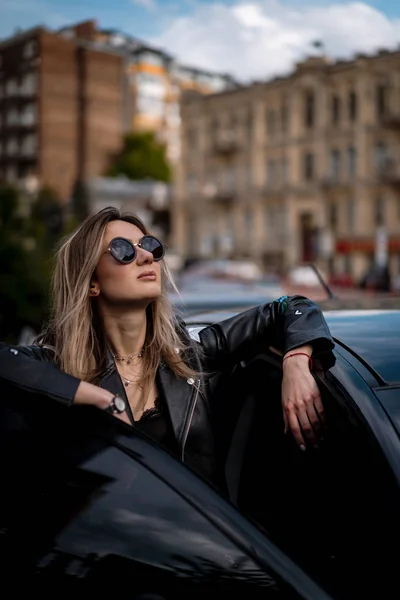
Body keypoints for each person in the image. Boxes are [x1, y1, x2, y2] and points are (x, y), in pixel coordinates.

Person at [0, 207, 334, 488]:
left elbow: (290, 307)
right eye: (122, 249)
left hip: (203, 551)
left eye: (149, 245)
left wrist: (296, 359)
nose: (145, 255)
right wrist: (90, 395)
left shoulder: (191, 356)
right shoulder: (58, 367)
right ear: (91, 283)